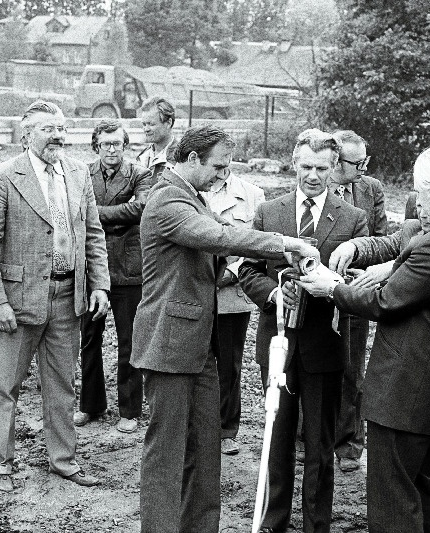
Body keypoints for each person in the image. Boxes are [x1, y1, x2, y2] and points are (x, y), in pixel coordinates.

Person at [300, 144, 430, 533]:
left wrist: (331, 288)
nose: (416, 205)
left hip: (405, 391)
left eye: (420, 193)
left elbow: (385, 301)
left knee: (393, 501)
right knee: (421, 489)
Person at [130, 124, 320, 533]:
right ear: (193, 159)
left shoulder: (193, 198)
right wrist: (288, 244)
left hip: (199, 344)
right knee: (166, 454)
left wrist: (277, 268)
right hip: (168, 342)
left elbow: (232, 237)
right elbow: (220, 236)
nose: (223, 175)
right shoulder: (167, 200)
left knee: (205, 450)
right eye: (218, 166)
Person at [0, 101, 111, 492]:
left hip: (69, 296)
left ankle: (63, 460)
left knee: (62, 385)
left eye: (62, 128)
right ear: (26, 135)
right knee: (5, 387)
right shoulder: (3, 176)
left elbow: (94, 234)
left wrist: (99, 284)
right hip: (18, 300)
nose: (58, 135)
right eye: (48, 128)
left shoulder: (79, 173)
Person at [239, 129, 368, 533]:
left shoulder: (352, 219)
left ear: (335, 169)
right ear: (293, 164)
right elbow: (247, 270)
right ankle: (273, 522)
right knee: (277, 442)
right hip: (278, 345)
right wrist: (277, 292)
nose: (313, 176)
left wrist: (329, 284)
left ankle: (317, 524)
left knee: (319, 446)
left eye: (322, 168)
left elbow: (358, 281)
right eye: (306, 167)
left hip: (325, 346)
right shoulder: (269, 212)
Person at [74, 120, 152, 433]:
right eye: (105, 144)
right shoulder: (82, 173)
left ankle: (129, 410)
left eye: (117, 144)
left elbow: (141, 209)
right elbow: (74, 209)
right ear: (96, 145)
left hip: (128, 269)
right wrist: (118, 212)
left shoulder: (140, 174)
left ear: (125, 145)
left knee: (129, 341)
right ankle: (90, 405)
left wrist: (95, 214)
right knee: (89, 340)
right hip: (92, 267)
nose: (111, 150)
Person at [327, 129, 387, 473]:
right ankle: (306, 439)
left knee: (352, 369)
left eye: (366, 161)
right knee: (313, 364)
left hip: (356, 291)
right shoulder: (314, 187)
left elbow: (381, 240)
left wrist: (365, 271)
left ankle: (349, 444)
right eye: (356, 162)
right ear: (336, 160)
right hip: (319, 291)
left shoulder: (370, 189)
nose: (363, 168)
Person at [201, 167, 266, 456]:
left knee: (229, 364)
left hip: (231, 293)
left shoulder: (252, 194)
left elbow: (254, 246)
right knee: (198, 361)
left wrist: (229, 273)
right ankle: (200, 427)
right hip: (197, 290)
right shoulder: (193, 189)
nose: (218, 167)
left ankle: (227, 429)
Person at [136, 96, 178, 180]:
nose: (146, 129)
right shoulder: (143, 157)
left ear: (168, 123)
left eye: (151, 124)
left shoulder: (180, 159)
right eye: (144, 124)